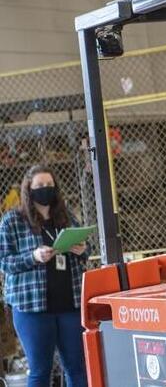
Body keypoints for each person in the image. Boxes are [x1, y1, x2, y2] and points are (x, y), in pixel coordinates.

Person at [0, 165, 89, 387]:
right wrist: (33, 256)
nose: (45, 189)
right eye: (39, 186)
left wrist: (82, 250)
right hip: (32, 308)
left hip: (70, 303)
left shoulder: (65, 217)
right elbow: (5, 262)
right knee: (40, 371)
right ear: (28, 190)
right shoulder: (12, 221)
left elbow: (83, 251)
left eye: (49, 185)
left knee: (77, 368)